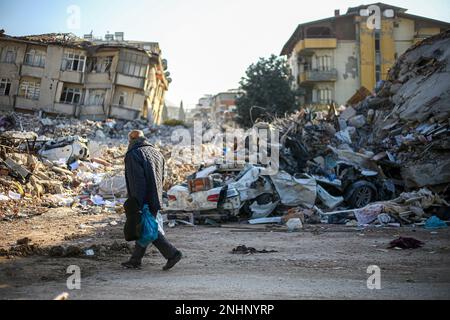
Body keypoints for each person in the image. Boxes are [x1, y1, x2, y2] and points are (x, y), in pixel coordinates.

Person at [122, 130, 182, 270]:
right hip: (155, 197)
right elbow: (162, 178)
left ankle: (172, 254)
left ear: (130, 140)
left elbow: (137, 181)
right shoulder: (156, 153)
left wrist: (137, 203)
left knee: (149, 229)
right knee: (145, 228)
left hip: (143, 199)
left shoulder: (133, 154)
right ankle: (135, 260)